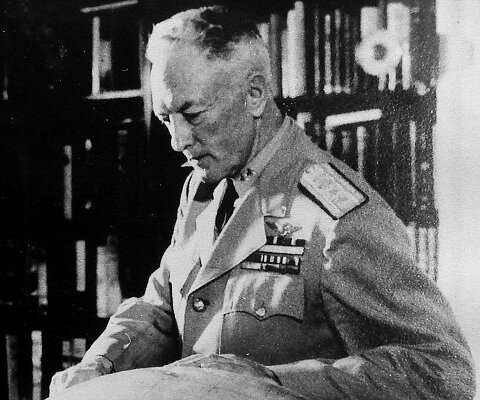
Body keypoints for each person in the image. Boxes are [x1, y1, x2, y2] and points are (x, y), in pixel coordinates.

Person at [50, 6, 475, 399]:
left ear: (254, 94)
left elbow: (441, 371)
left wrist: (264, 383)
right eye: (166, 118)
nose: (177, 141)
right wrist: (100, 364)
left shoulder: (339, 216)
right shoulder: (203, 185)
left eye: (193, 115)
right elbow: (162, 304)